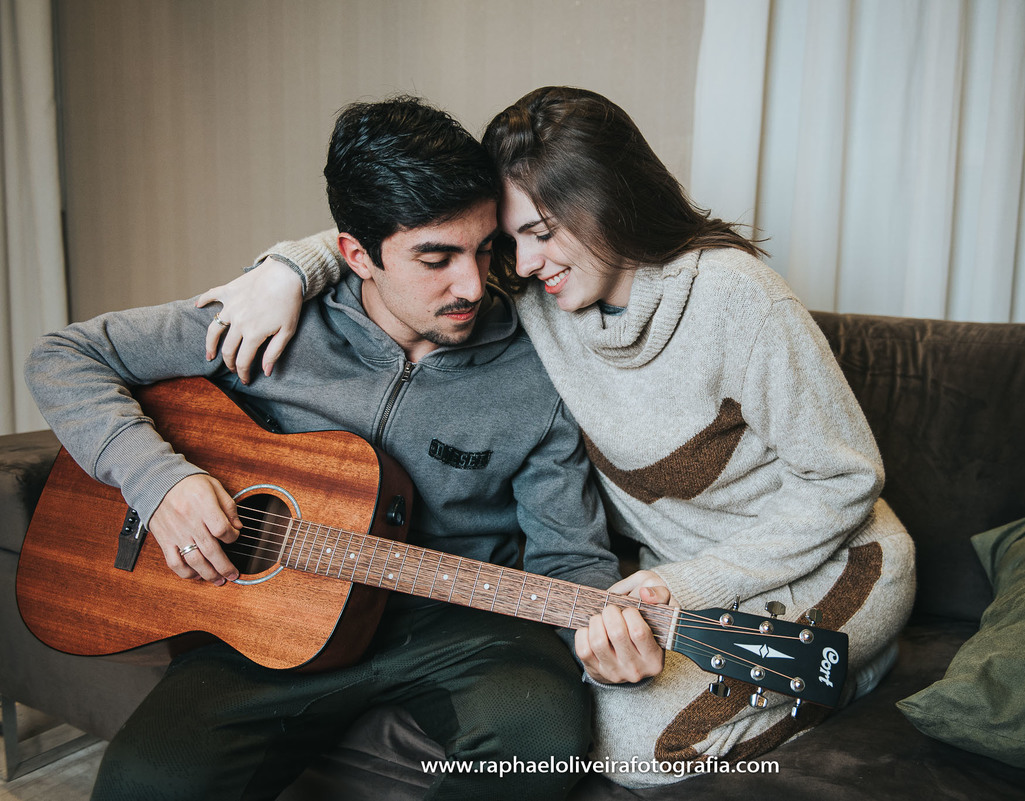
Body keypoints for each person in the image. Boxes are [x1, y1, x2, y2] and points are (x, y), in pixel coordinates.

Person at [201, 86, 917, 788]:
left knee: (635, 757)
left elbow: (846, 479)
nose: (519, 263)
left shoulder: (738, 298)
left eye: (541, 234)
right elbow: (402, 235)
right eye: (509, 240)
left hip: (833, 560)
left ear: (608, 202)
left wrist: (685, 585)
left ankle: (852, 669)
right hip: (675, 582)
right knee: (600, 720)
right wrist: (288, 270)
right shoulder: (535, 296)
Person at [24, 95, 623, 801]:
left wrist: (606, 637)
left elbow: (570, 559)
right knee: (145, 783)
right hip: (265, 618)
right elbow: (63, 356)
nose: (472, 283)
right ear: (356, 255)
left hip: (458, 620)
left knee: (540, 735)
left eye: (484, 247)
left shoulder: (538, 369)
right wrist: (158, 481)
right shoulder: (265, 322)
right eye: (435, 258)